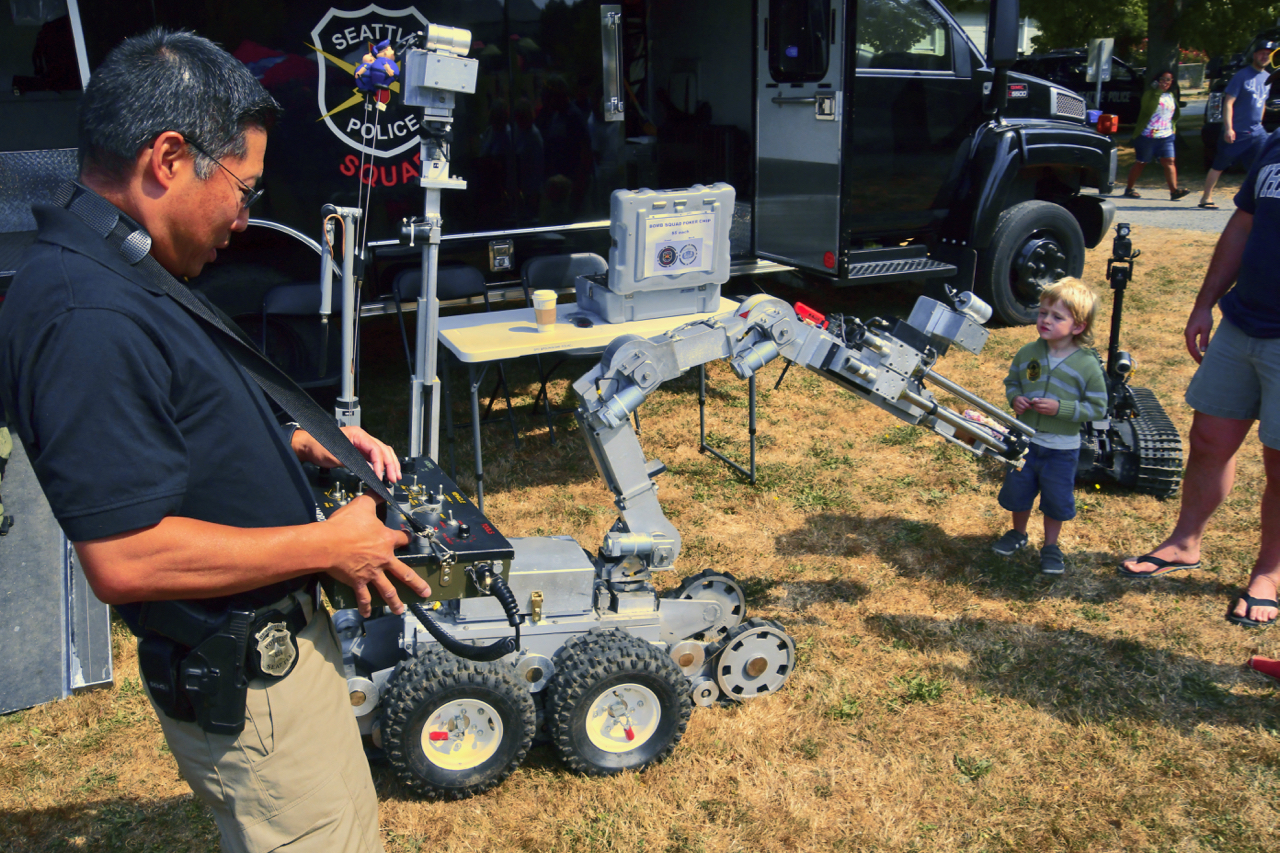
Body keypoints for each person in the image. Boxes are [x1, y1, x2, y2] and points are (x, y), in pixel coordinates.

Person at [0, 29, 431, 852]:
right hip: (250, 681)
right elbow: (125, 556)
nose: (245, 215)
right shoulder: (83, 315)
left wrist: (302, 439)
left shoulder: (113, 261)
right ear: (167, 157)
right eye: (244, 188)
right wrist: (324, 544)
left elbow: (173, 403)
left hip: (264, 664)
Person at [1119, 128, 1280, 631]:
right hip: (1242, 322)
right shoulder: (1276, 143)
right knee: (1208, 438)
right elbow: (1243, 224)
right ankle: (1185, 542)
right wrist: (1205, 302)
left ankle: (1270, 574)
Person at [992, 279, 1108, 575]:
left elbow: (1098, 408)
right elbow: (1013, 382)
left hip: (1062, 448)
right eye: (1043, 312)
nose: (1045, 320)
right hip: (1026, 442)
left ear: (1078, 326)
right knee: (1019, 490)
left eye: (1057, 317)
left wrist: (1062, 409)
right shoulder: (1028, 353)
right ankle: (1018, 533)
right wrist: (1015, 398)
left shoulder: (1087, 365)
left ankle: (1050, 546)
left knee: (1055, 499)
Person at [1199, 36, 1277, 210]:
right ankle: (1206, 197)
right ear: (1254, 55)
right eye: (1261, 53)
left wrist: (1261, 124)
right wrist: (1229, 128)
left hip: (1257, 132)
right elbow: (1228, 102)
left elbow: (1262, 103)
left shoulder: (1267, 77)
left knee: (1262, 166)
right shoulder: (1241, 76)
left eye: (1268, 54)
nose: (1264, 57)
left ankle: (1257, 200)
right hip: (1238, 132)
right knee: (1219, 165)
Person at [1123, 71, 1190, 201]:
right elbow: (1148, 109)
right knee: (1142, 162)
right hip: (1147, 135)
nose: (1165, 82)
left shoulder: (1171, 95)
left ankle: (1174, 191)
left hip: (1166, 135)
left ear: (1172, 83)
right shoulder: (1150, 94)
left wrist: (1173, 128)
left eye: (1168, 80)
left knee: (1169, 162)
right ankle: (1129, 188)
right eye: (1162, 79)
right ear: (1156, 81)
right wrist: (1157, 91)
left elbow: (1174, 115)